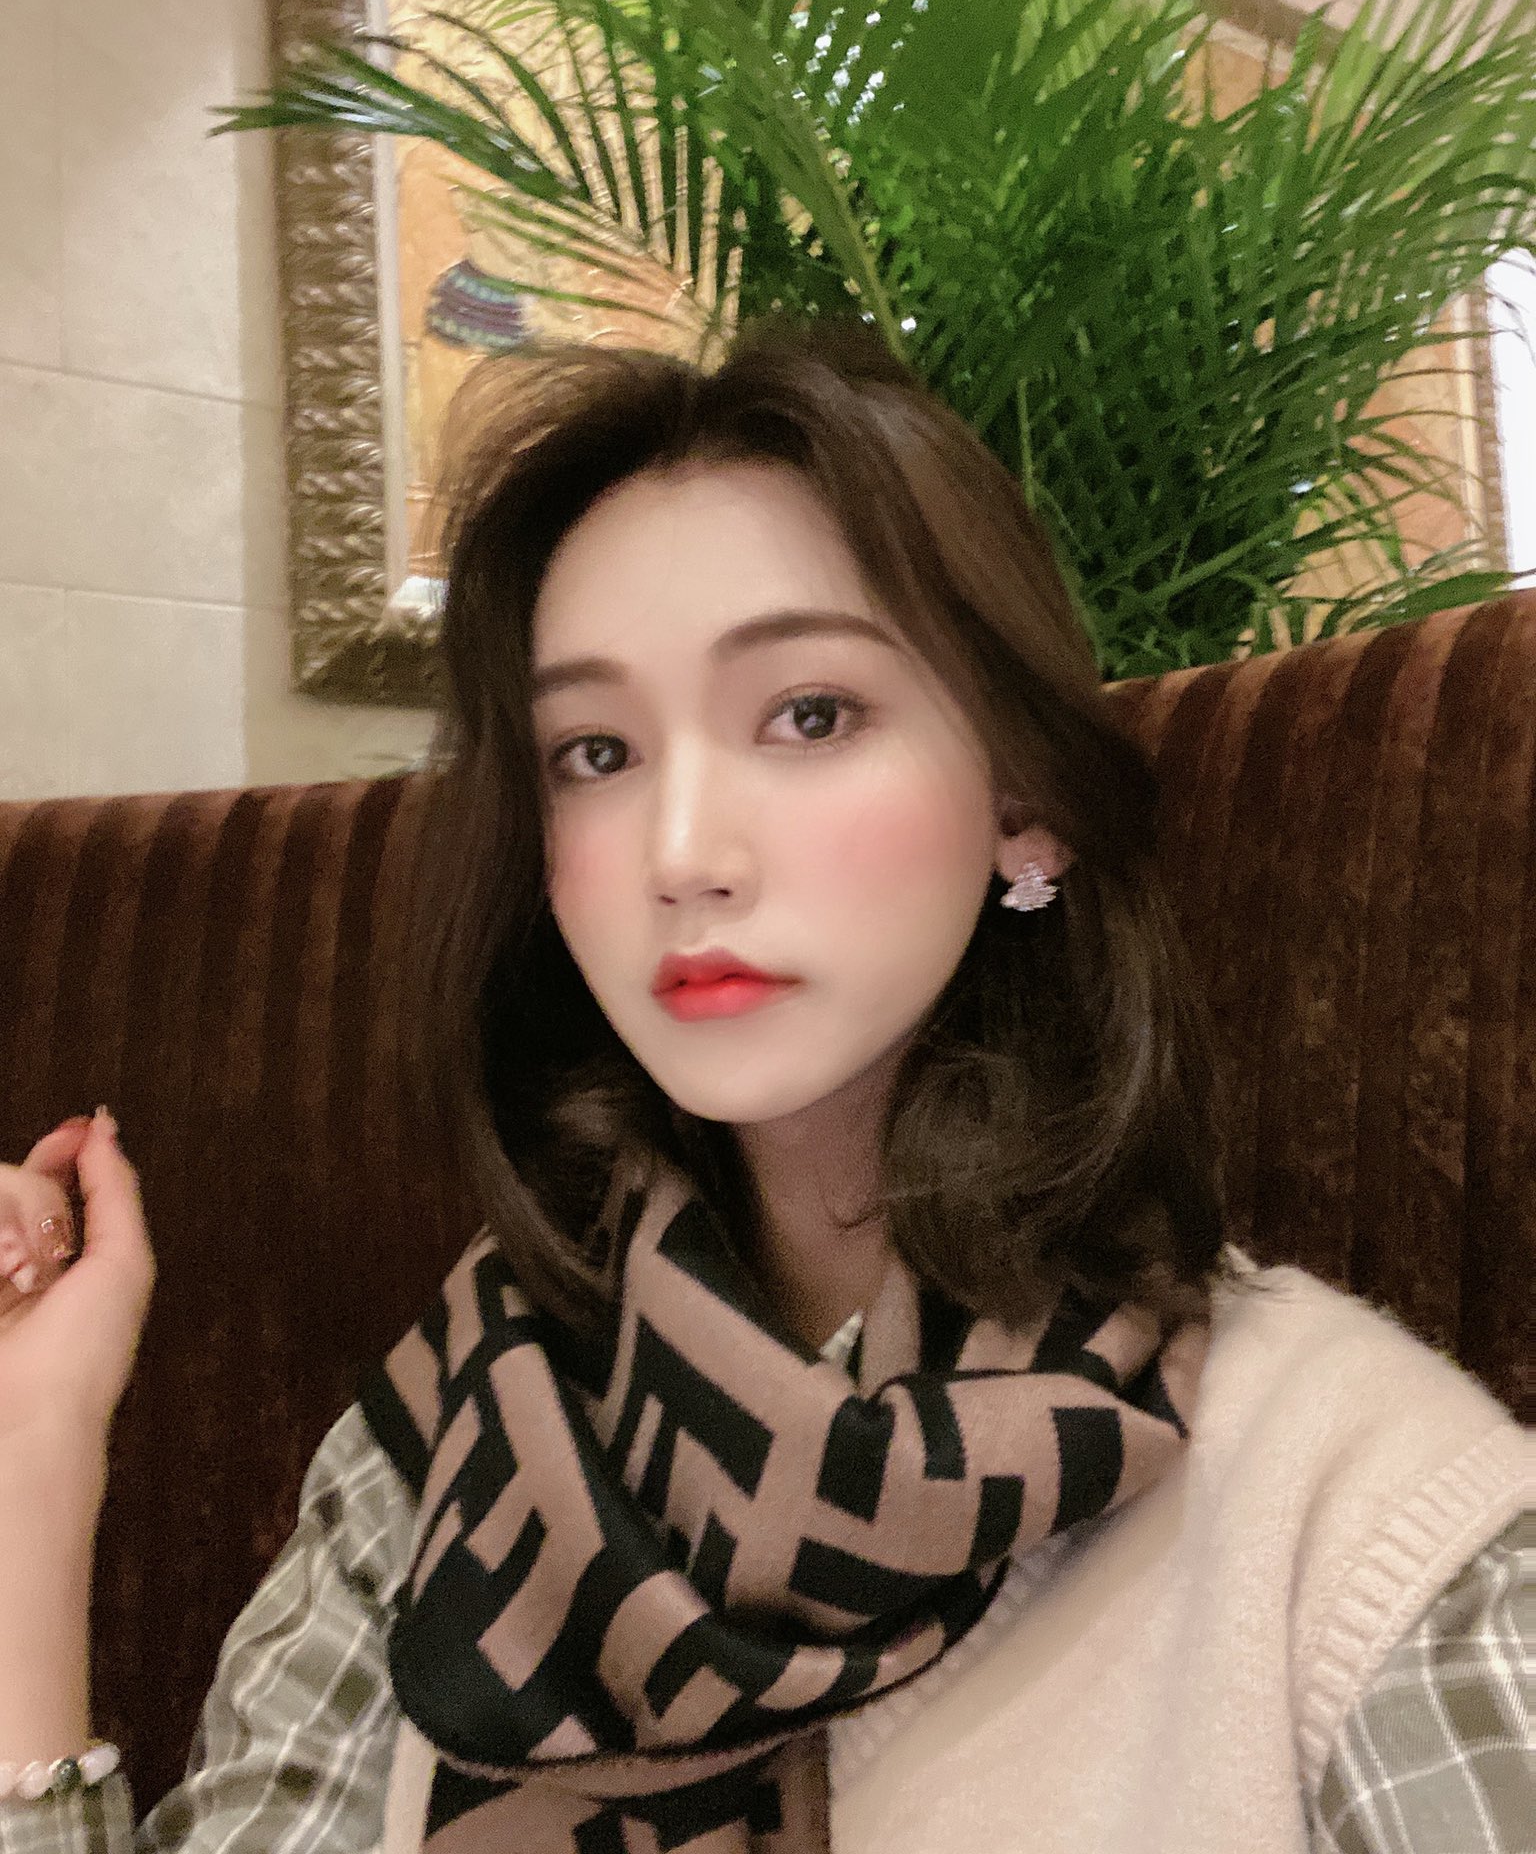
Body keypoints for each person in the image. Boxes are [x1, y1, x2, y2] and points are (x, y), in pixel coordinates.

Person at [0, 325, 1527, 1854]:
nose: (680, 852)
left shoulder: (1359, 1520)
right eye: (594, 751)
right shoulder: (453, 1440)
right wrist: (31, 1456)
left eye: (809, 714)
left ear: (1024, 801)